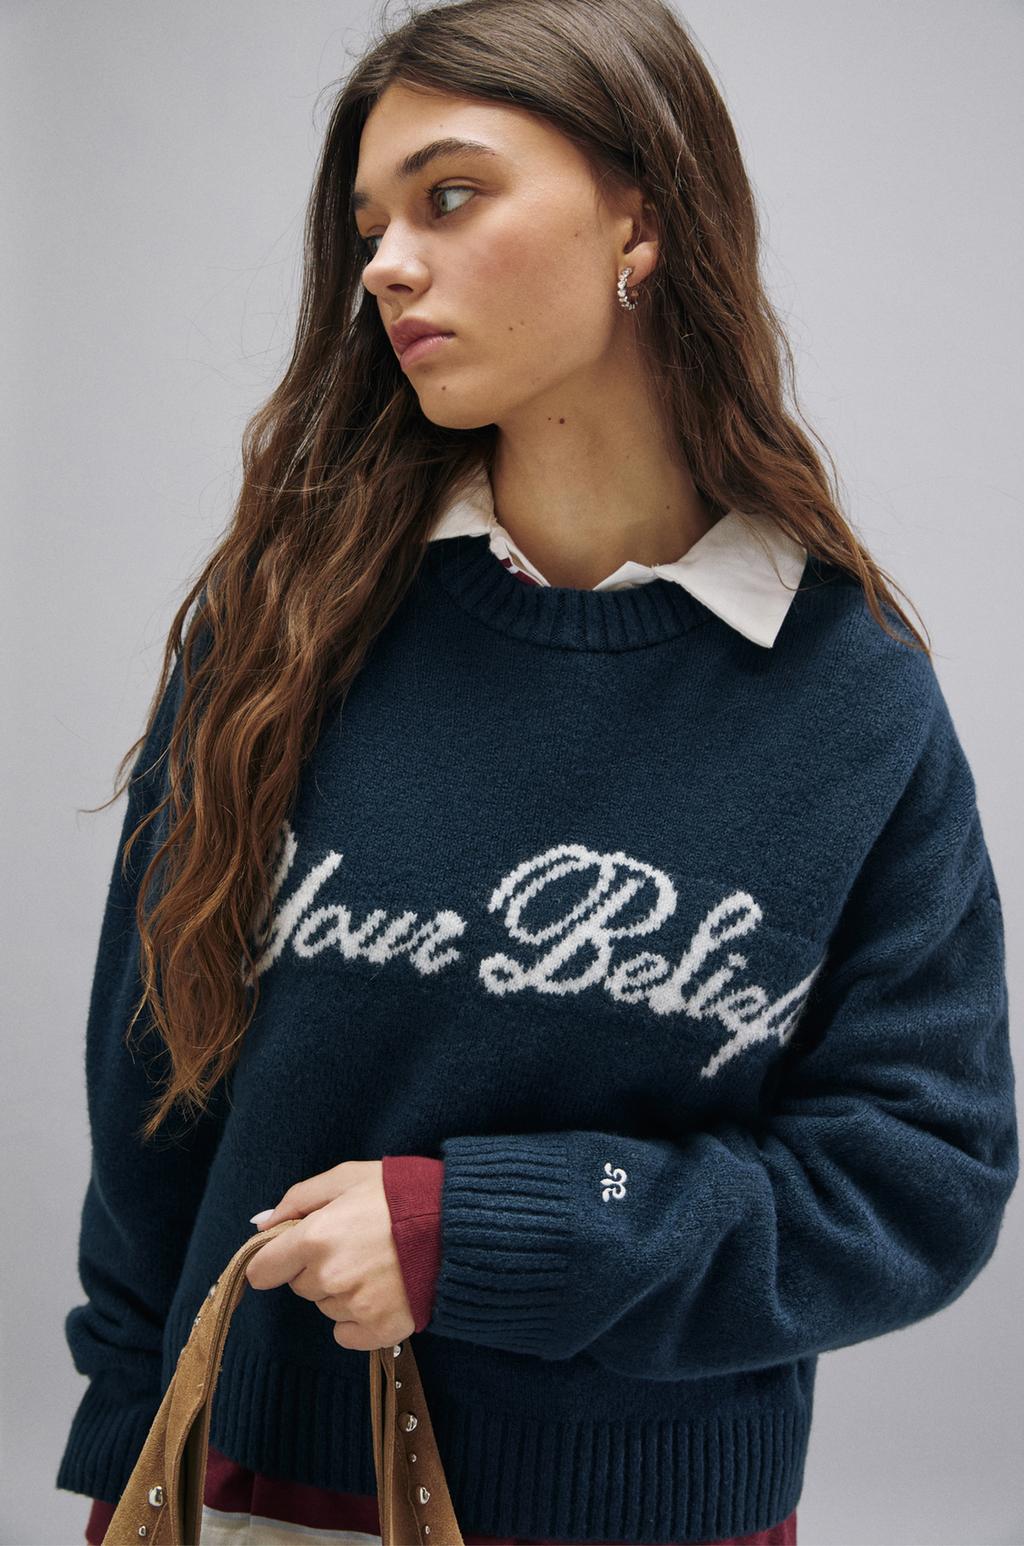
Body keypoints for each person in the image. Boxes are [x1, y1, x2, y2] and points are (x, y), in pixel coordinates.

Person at [57, 1, 1018, 1543]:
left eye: (449, 196)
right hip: (249, 1500)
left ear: (641, 216)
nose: (386, 263)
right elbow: (151, 1098)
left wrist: (482, 1231)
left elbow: (919, 1175)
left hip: (655, 1518)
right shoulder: (284, 631)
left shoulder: (850, 699)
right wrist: (128, 1452)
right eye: (370, 226)